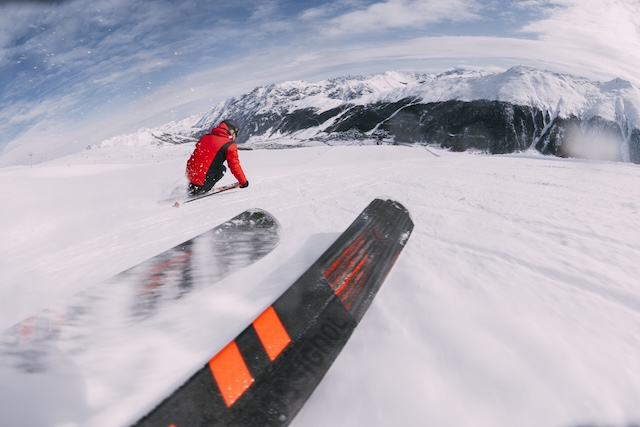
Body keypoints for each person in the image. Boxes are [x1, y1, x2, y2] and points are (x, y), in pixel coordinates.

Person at [185, 119, 249, 197]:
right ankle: (202, 189)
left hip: (191, 175)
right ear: (231, 130)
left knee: (209, 165)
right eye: (235, 133)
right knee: (221, 169)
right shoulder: (229, 145)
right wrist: (243, 181)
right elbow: (234, 166)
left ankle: (194, 187)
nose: (235, 136)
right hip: (203, 181)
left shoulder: (205, 137)